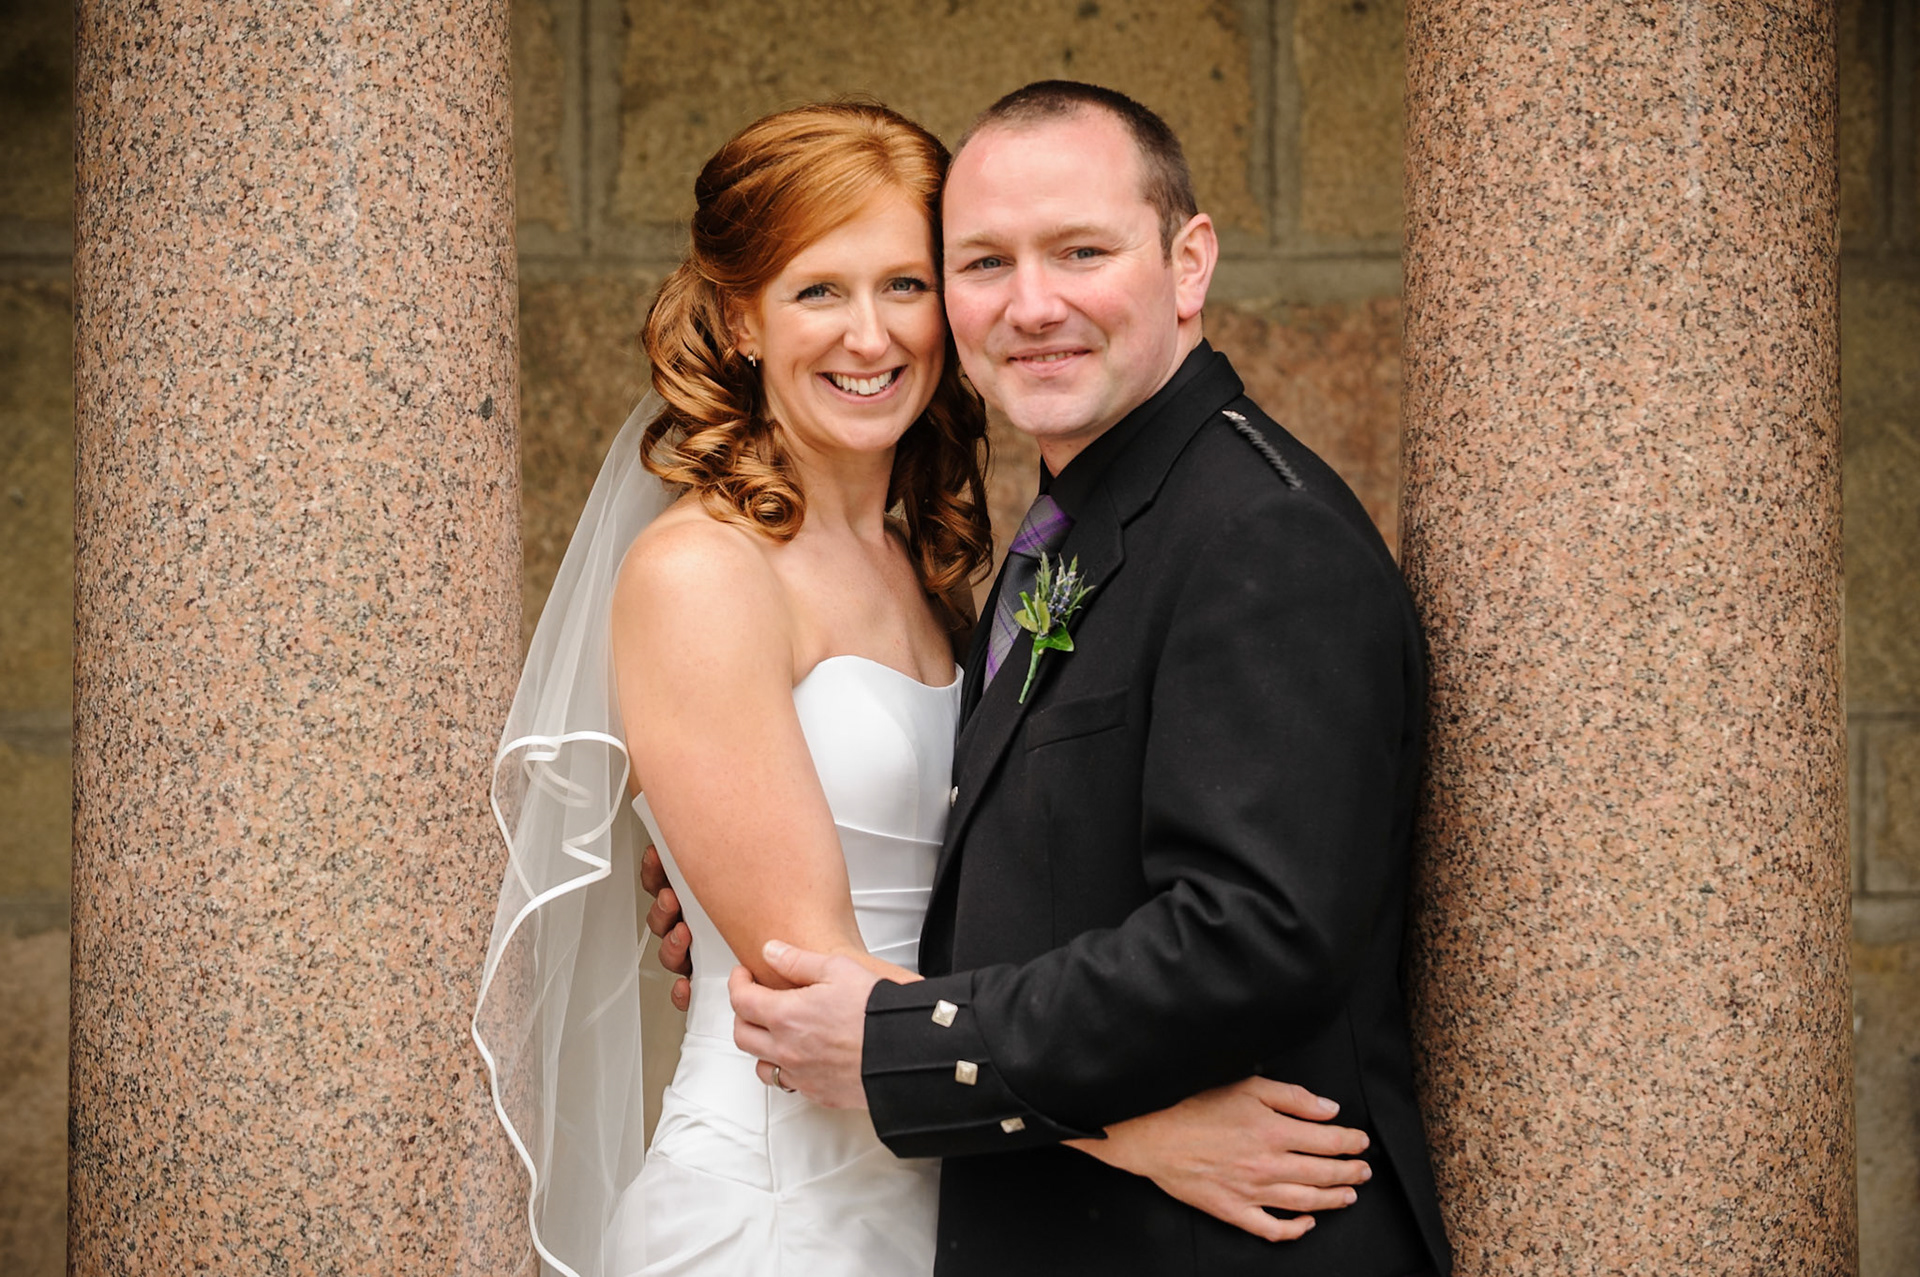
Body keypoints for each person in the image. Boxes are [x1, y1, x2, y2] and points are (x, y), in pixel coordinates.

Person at [474, 100, 1373, 1277]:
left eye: (906, 284)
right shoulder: (699, 573)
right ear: (740, 316)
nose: (870, 335)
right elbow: (814, 995)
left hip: (958, 1185)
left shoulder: (935, 565)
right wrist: (1149, 1135)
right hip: (784, 1206)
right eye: (817, 291)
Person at [718, 82, 1455, 1276]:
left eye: (1080, 252)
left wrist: (910, 1041)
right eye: (985, 263)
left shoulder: (1262, 534)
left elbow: (1251, 934)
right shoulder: (1073, 524)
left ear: (1189, 260)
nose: (1033, 304)